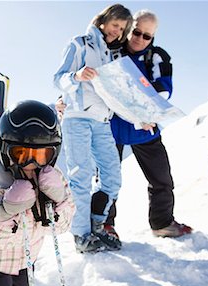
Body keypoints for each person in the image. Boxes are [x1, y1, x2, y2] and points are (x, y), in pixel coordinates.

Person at [0, 100, 75, 286]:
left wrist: (59, 200)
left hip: (26, 263)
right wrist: (5, 210)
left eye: (40, 155)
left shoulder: (52, 177)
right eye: (21, 154)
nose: (31, 164)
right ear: (6, 149)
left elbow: (62, 227)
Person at [106, 9, 193, 238]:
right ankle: (104, 225)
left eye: (147, 36)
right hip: (111, 128)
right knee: (107, 180)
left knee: (161, 178)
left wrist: (146, 111)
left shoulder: (157, 57)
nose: (140, 39)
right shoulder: (111, 51)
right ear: (128, 28)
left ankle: (162, 223)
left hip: (146, 129)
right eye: (136, 32)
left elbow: (163, 89)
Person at [53, 4, 132, 253]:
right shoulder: (79, 44)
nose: (117, 32)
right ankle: (81, 235)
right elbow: (58, 77)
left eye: (122, 29)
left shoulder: (112, 54)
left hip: (102, 120)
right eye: (115, 25)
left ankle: (97, 225)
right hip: (77, 117)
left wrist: (141, 118)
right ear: (103, 21)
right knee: (81, 177)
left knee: (112, 177)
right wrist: (76, 76)